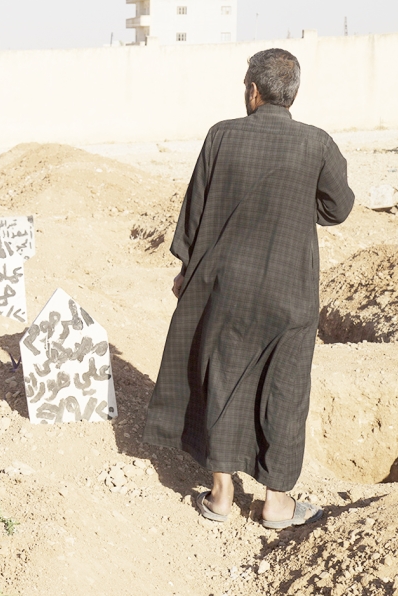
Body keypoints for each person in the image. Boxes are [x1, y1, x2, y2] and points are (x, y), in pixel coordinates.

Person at [142, 48, 354, 529]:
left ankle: (221, 495)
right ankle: (277, 504)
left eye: (245, 85)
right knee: (285, 388)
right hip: (290, 291)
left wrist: (185, 272)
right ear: (292, 94)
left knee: (219, 375)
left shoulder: (222, 136)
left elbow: (195, 211)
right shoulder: (317, 144)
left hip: (224, 287)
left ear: (254, 91)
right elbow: (338, 207)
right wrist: (302, 205)